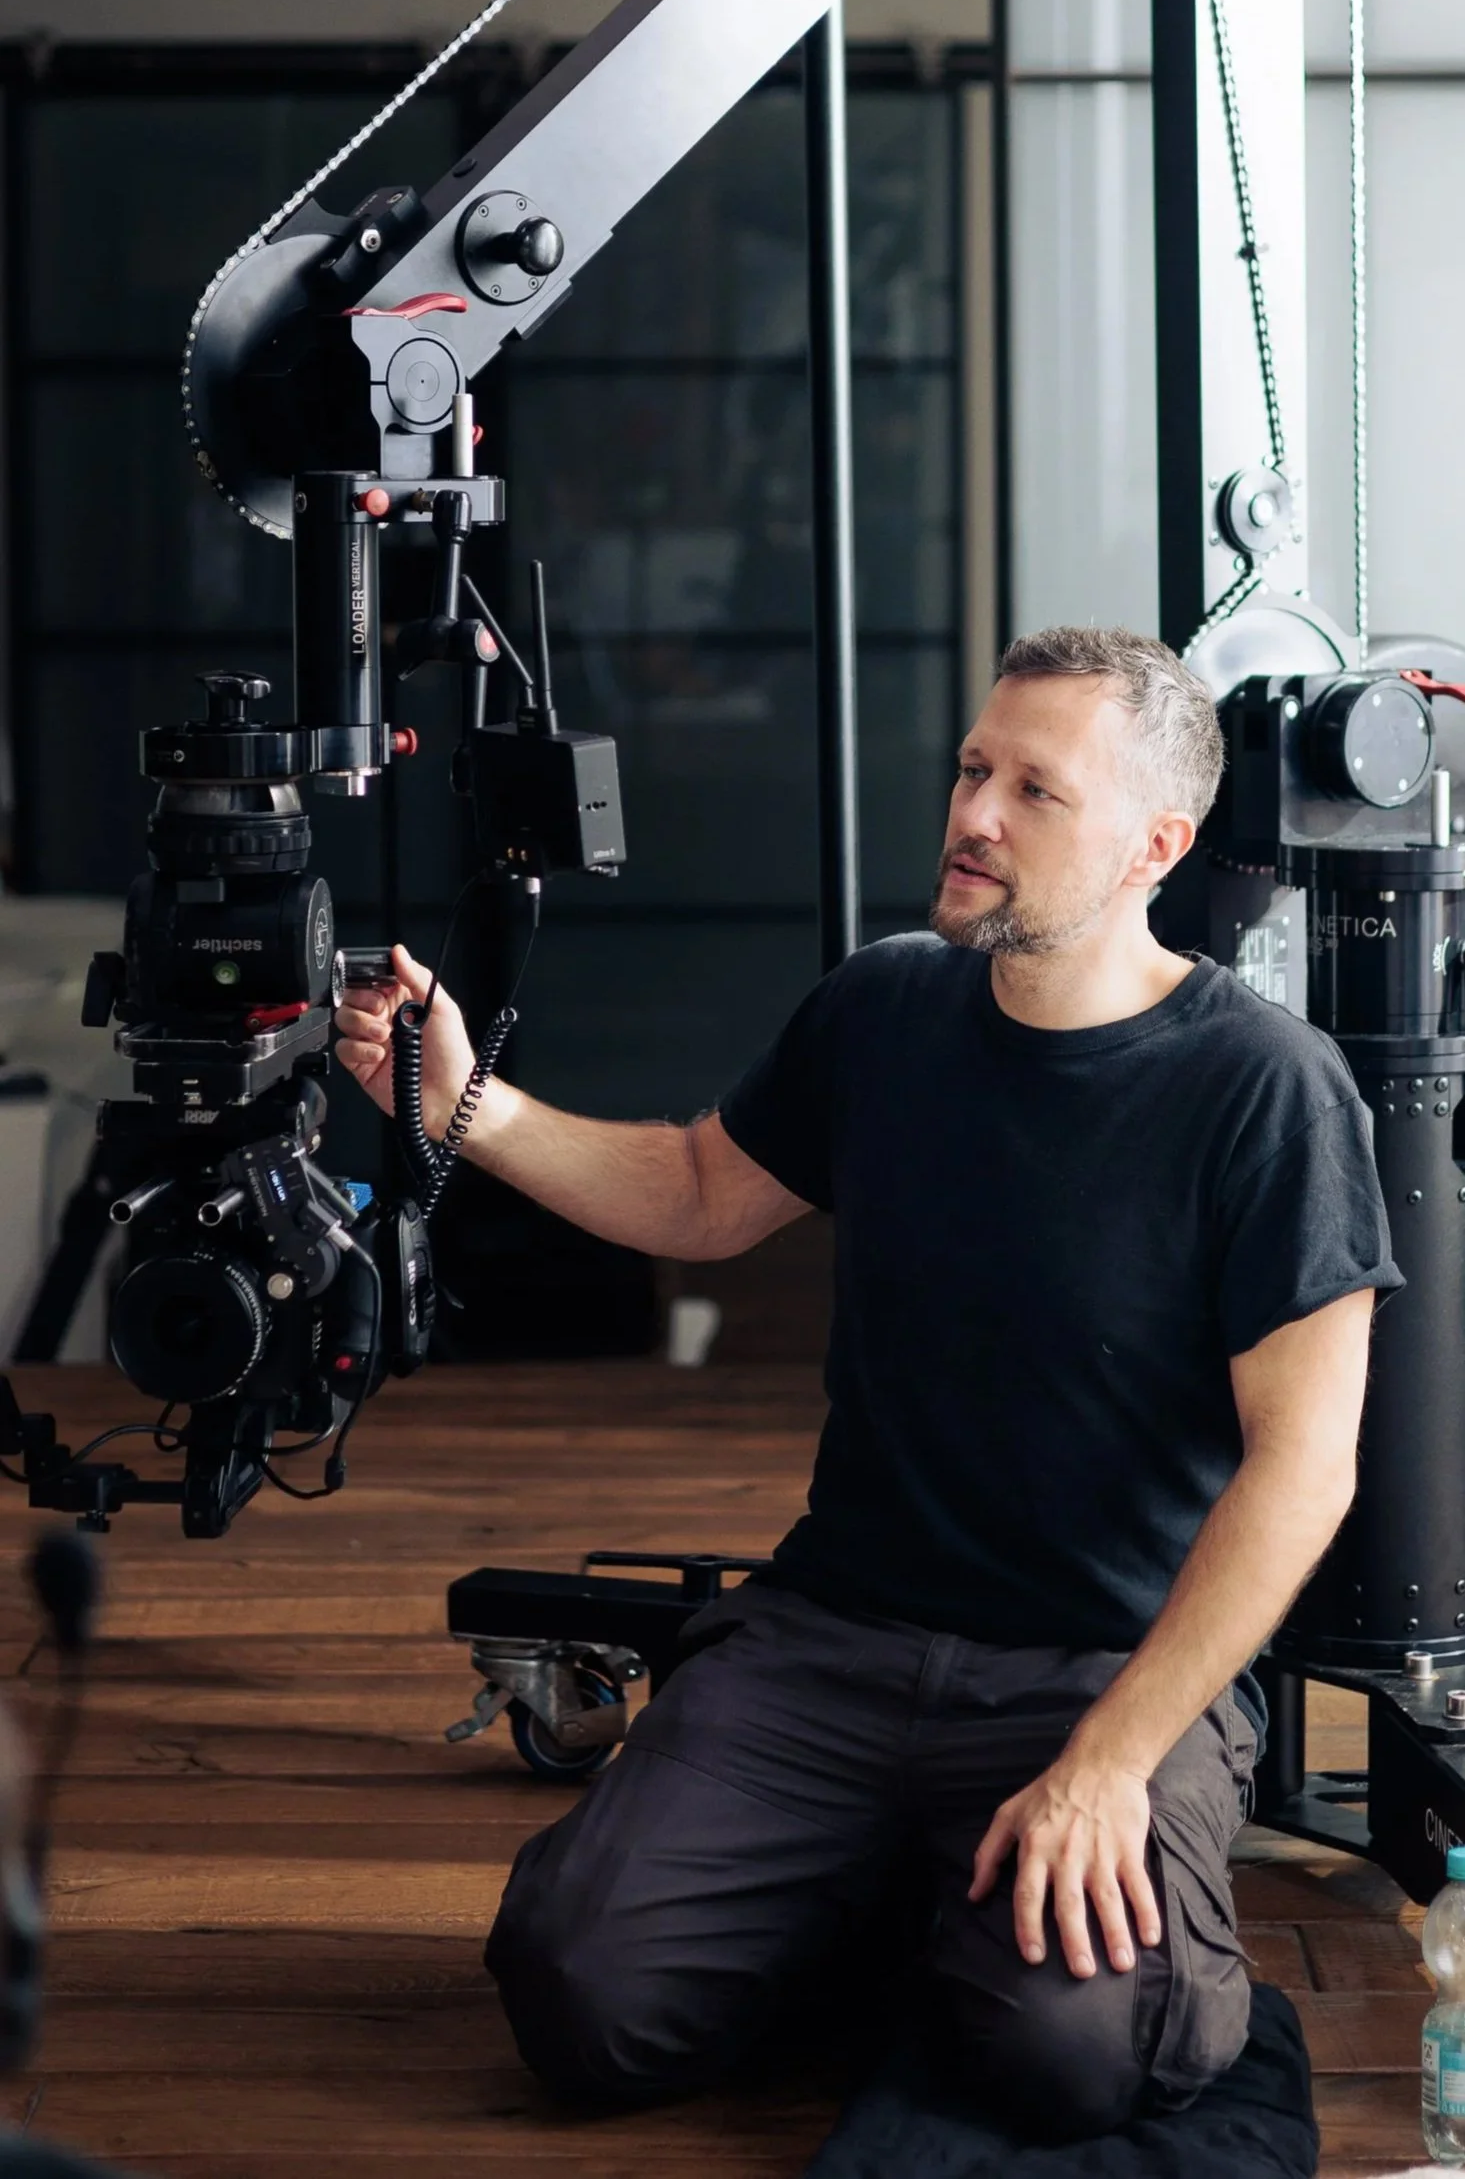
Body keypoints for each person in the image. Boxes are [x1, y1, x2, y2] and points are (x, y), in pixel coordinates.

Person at [335, 624, 1400, 2143]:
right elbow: (703, 1190)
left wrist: (1107, 1768)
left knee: (1071, 2054)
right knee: (578, 1990)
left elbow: (1307, 1468)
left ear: (1155, 845)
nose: (973, 811)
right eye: (975, 766)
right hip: (834, 1638)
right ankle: (906, 1885)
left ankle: (989, 1910)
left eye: (1037, 789)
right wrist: (465, 1108)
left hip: (1097, 1670)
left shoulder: (1268, 1087)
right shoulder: (889, 1006)